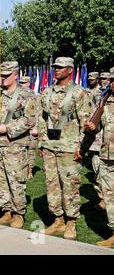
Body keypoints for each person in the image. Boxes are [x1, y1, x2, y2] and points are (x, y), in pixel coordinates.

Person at [38, 57, 92, 240]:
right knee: (51, 184)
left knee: (70, 185)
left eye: (60, 68)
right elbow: (42, 118)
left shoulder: (79, 93)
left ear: (70, 70)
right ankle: (58, 219)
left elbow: (86, 123)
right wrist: (41, 142)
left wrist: (82, 148)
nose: (56, 70)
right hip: (50, 146)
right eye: (55, 67)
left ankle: (71, 222)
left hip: (70, 147)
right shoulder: (47, 92)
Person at [0, 61, 37, 229]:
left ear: (15, 75)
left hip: (16, 145)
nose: (3, 79)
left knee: (16, 180)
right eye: (1, 76)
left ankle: (19, 213)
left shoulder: (27, 94)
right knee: (0, 180)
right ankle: (6, 211)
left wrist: (9, 128)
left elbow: (30, 119)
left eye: (6, 76)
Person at [78, 67, 114, 247]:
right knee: (109, 195)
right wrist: (93, 128)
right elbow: (99, 126)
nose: (112, 83)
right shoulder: (105, 101)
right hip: (107, 155)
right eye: (112, 80)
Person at [85, 72, 104, 210]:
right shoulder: (103, 97)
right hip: (97, 141)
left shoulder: (104, 95)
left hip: (106, 141)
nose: (105, 81)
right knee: (98, 171)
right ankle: (102, 199)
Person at [19, 76, 40, 179]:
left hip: (32, 126)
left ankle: (30, 170)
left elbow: (38, 113)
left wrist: (36, 127)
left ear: (28, 83)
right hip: (21, 126)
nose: (22, 85)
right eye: (21, 83)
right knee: (20, 149)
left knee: (31, 150)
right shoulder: (18, 95)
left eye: (24, 83)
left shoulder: (34, 96)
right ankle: (21, 169)